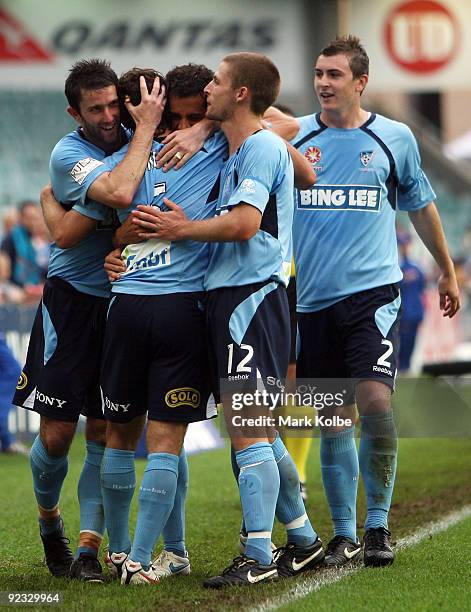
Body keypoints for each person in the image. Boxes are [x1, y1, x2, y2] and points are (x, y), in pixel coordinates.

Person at [267, 35, 460, 567]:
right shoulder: (296, 135)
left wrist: (445, 270)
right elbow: (242, 121)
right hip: (311, 302)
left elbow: (421, 207)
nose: (323, 83)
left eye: (334, 75)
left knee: (375, 404)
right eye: (318, 74)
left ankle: (377, 526)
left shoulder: (395, 138)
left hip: (373, 296)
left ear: (360, 81)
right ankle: (345, 533)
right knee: (332, 419)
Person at [131, 52, 323, 589]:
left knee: (248, 430)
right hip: (234, 295)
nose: (209, 89)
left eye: (218, 81)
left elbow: (243, 225)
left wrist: (181, 229)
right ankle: (303, 539)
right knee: (258, 430)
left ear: (239, 94)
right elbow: (293, 162)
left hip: (251, 295)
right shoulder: (241, 142)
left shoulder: (259, 146)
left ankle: (258, 554)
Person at [13, 58, 165, 582]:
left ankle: (87, 549)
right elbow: (120, 196)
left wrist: (74, 218)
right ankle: (49, 518)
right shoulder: (69, 154)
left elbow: (73, 227)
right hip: (72, 301)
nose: (108, 116)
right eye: (95, 108)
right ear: (73, 111)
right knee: (57, 434)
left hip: (125, 299)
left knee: (103, 428)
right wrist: (142, 137)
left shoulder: (136, 139)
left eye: (113, 105)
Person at [76, 66, 226, 586]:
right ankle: (139, 560)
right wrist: (208, 127)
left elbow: (103, 230)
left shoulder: (123, 163)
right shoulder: (222, 150)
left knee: (122, 438)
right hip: (181, 311)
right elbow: (280, 124)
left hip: (126, 310)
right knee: (165, 442)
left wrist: (117, 246)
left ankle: (124, 553)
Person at [397, 231, 426, 372]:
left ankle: (405, 369)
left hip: (414, 313)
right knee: (400, 347)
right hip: (402, 314)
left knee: (410, 345)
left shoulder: (415, 267)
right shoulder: (396, 267)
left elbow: (422, 287)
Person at [1, 200, 46, 291]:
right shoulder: (11, 238)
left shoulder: (33, 239)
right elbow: (5, 271)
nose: (33, 222)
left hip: (31, 287)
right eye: (29, 218)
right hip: (15, 289)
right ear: (20, 217)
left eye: (35, 218)